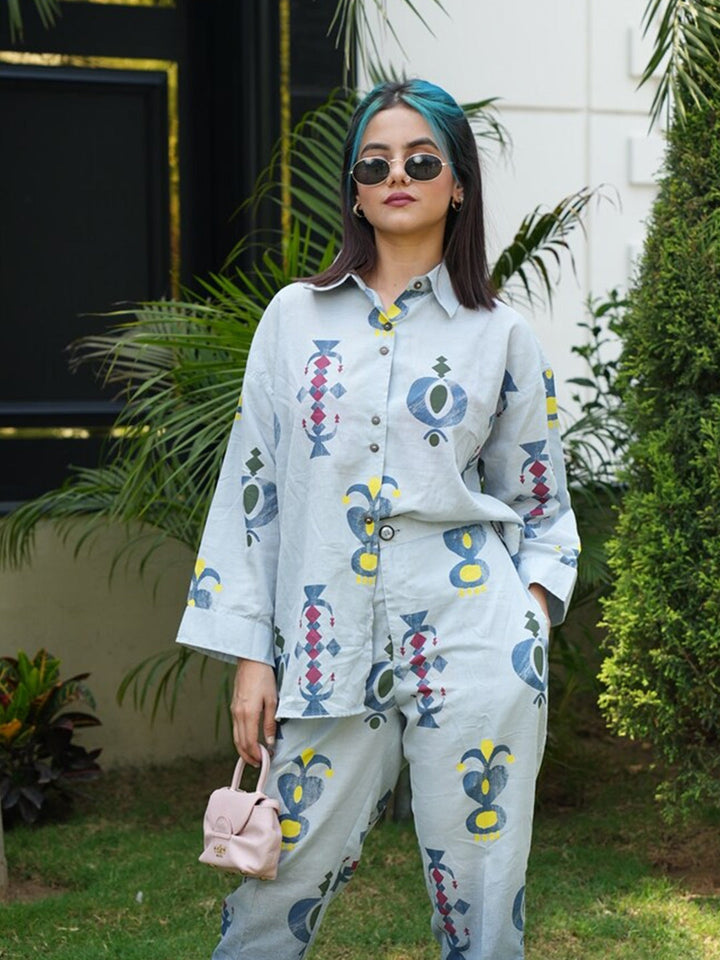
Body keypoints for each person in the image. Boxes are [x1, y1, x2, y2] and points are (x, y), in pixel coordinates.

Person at [177, 78, 579, 960]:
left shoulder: (500, 335)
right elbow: (252, 491)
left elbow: (540, 502)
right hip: (325, 645)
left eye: (422, 161)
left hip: (474, 643)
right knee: (274, 882)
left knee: (482, 899)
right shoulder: (293, 319)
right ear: (356, 191)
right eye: (376, 163)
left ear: (458, 184)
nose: (398, 176)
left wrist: (526, 621)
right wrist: (252, 655)